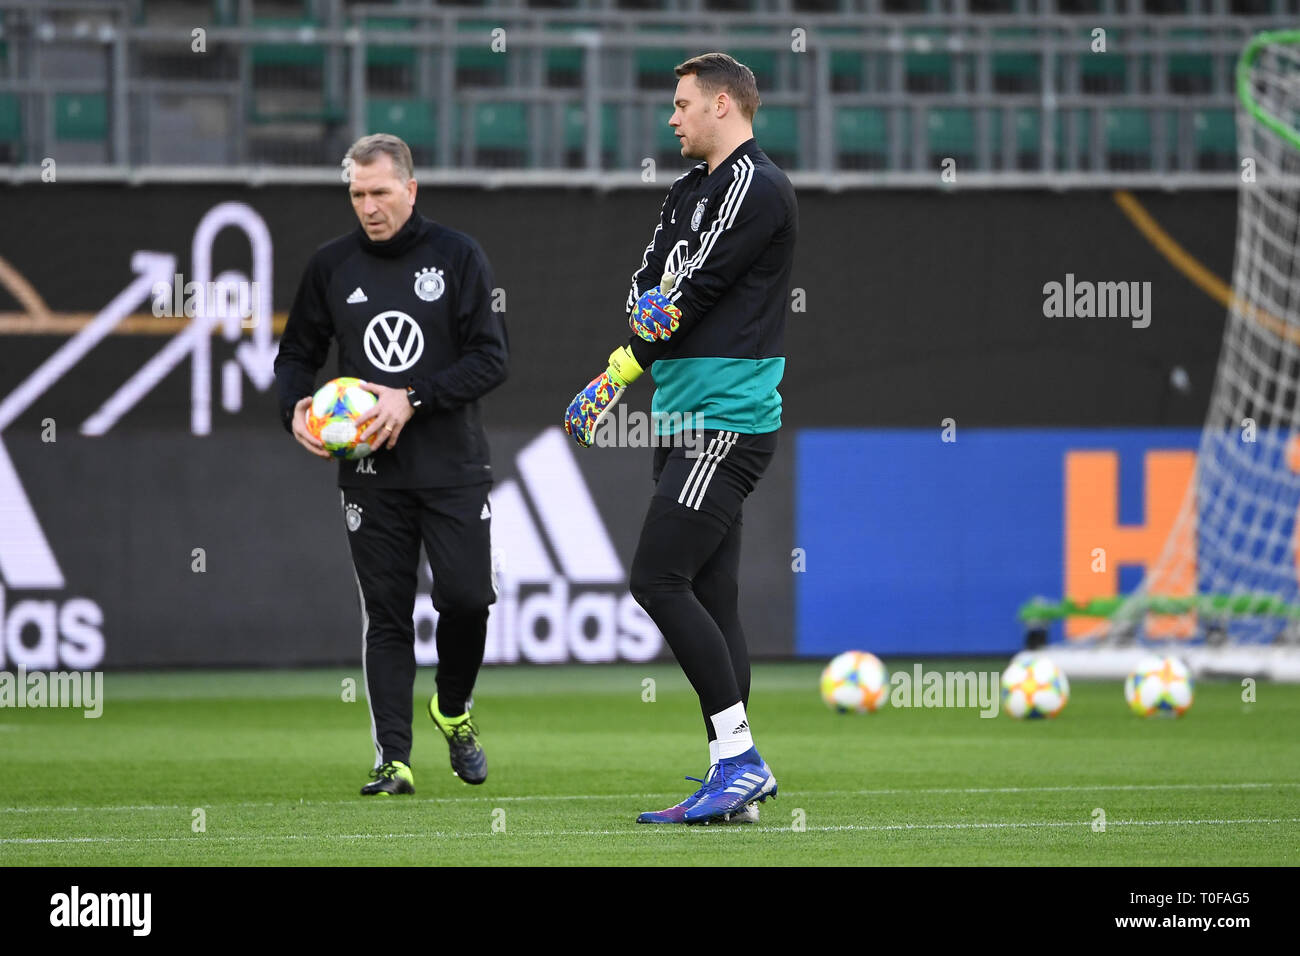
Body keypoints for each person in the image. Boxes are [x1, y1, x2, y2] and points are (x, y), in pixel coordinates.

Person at [563, 53, 797, 824]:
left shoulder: (757, 187)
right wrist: (642, 331)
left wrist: (614, 374)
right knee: (710, 596)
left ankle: (741, 761)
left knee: (656, 579)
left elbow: (689, 287)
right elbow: (646, 288)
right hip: (681, 415)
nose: (672, 118)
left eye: (682, 104)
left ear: (724, 105)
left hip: (725, 424)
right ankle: (733, 782)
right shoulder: (685, 191)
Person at [275, 133, 508, 795]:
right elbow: (296, 354)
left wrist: (413, 398)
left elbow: (492, 359)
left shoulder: (458, 257)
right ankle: (393, 760)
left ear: (411, 188)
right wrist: (294, 404)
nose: (369, 206)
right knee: (387, 614)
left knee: (467, 600)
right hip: (372, 477)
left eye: (381, 192)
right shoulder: (331, 266)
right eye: (357, 194)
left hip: (453, 466)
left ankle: (453, 708)